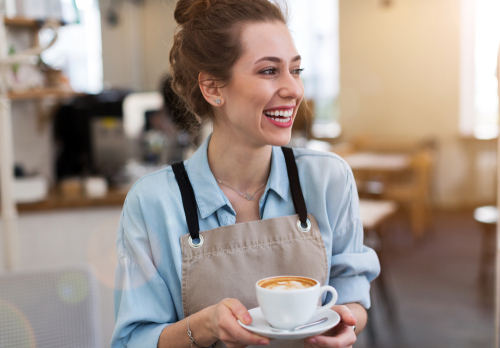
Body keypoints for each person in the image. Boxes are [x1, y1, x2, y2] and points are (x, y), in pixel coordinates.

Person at [111, 0, 380, 347]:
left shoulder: (329, 179)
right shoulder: (154, 202)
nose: (294, 90)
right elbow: (133, 340)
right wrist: (202, 326)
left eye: (295, 70)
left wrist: (348, 321)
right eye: (269, 71)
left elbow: (354, 298)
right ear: (212, 88)